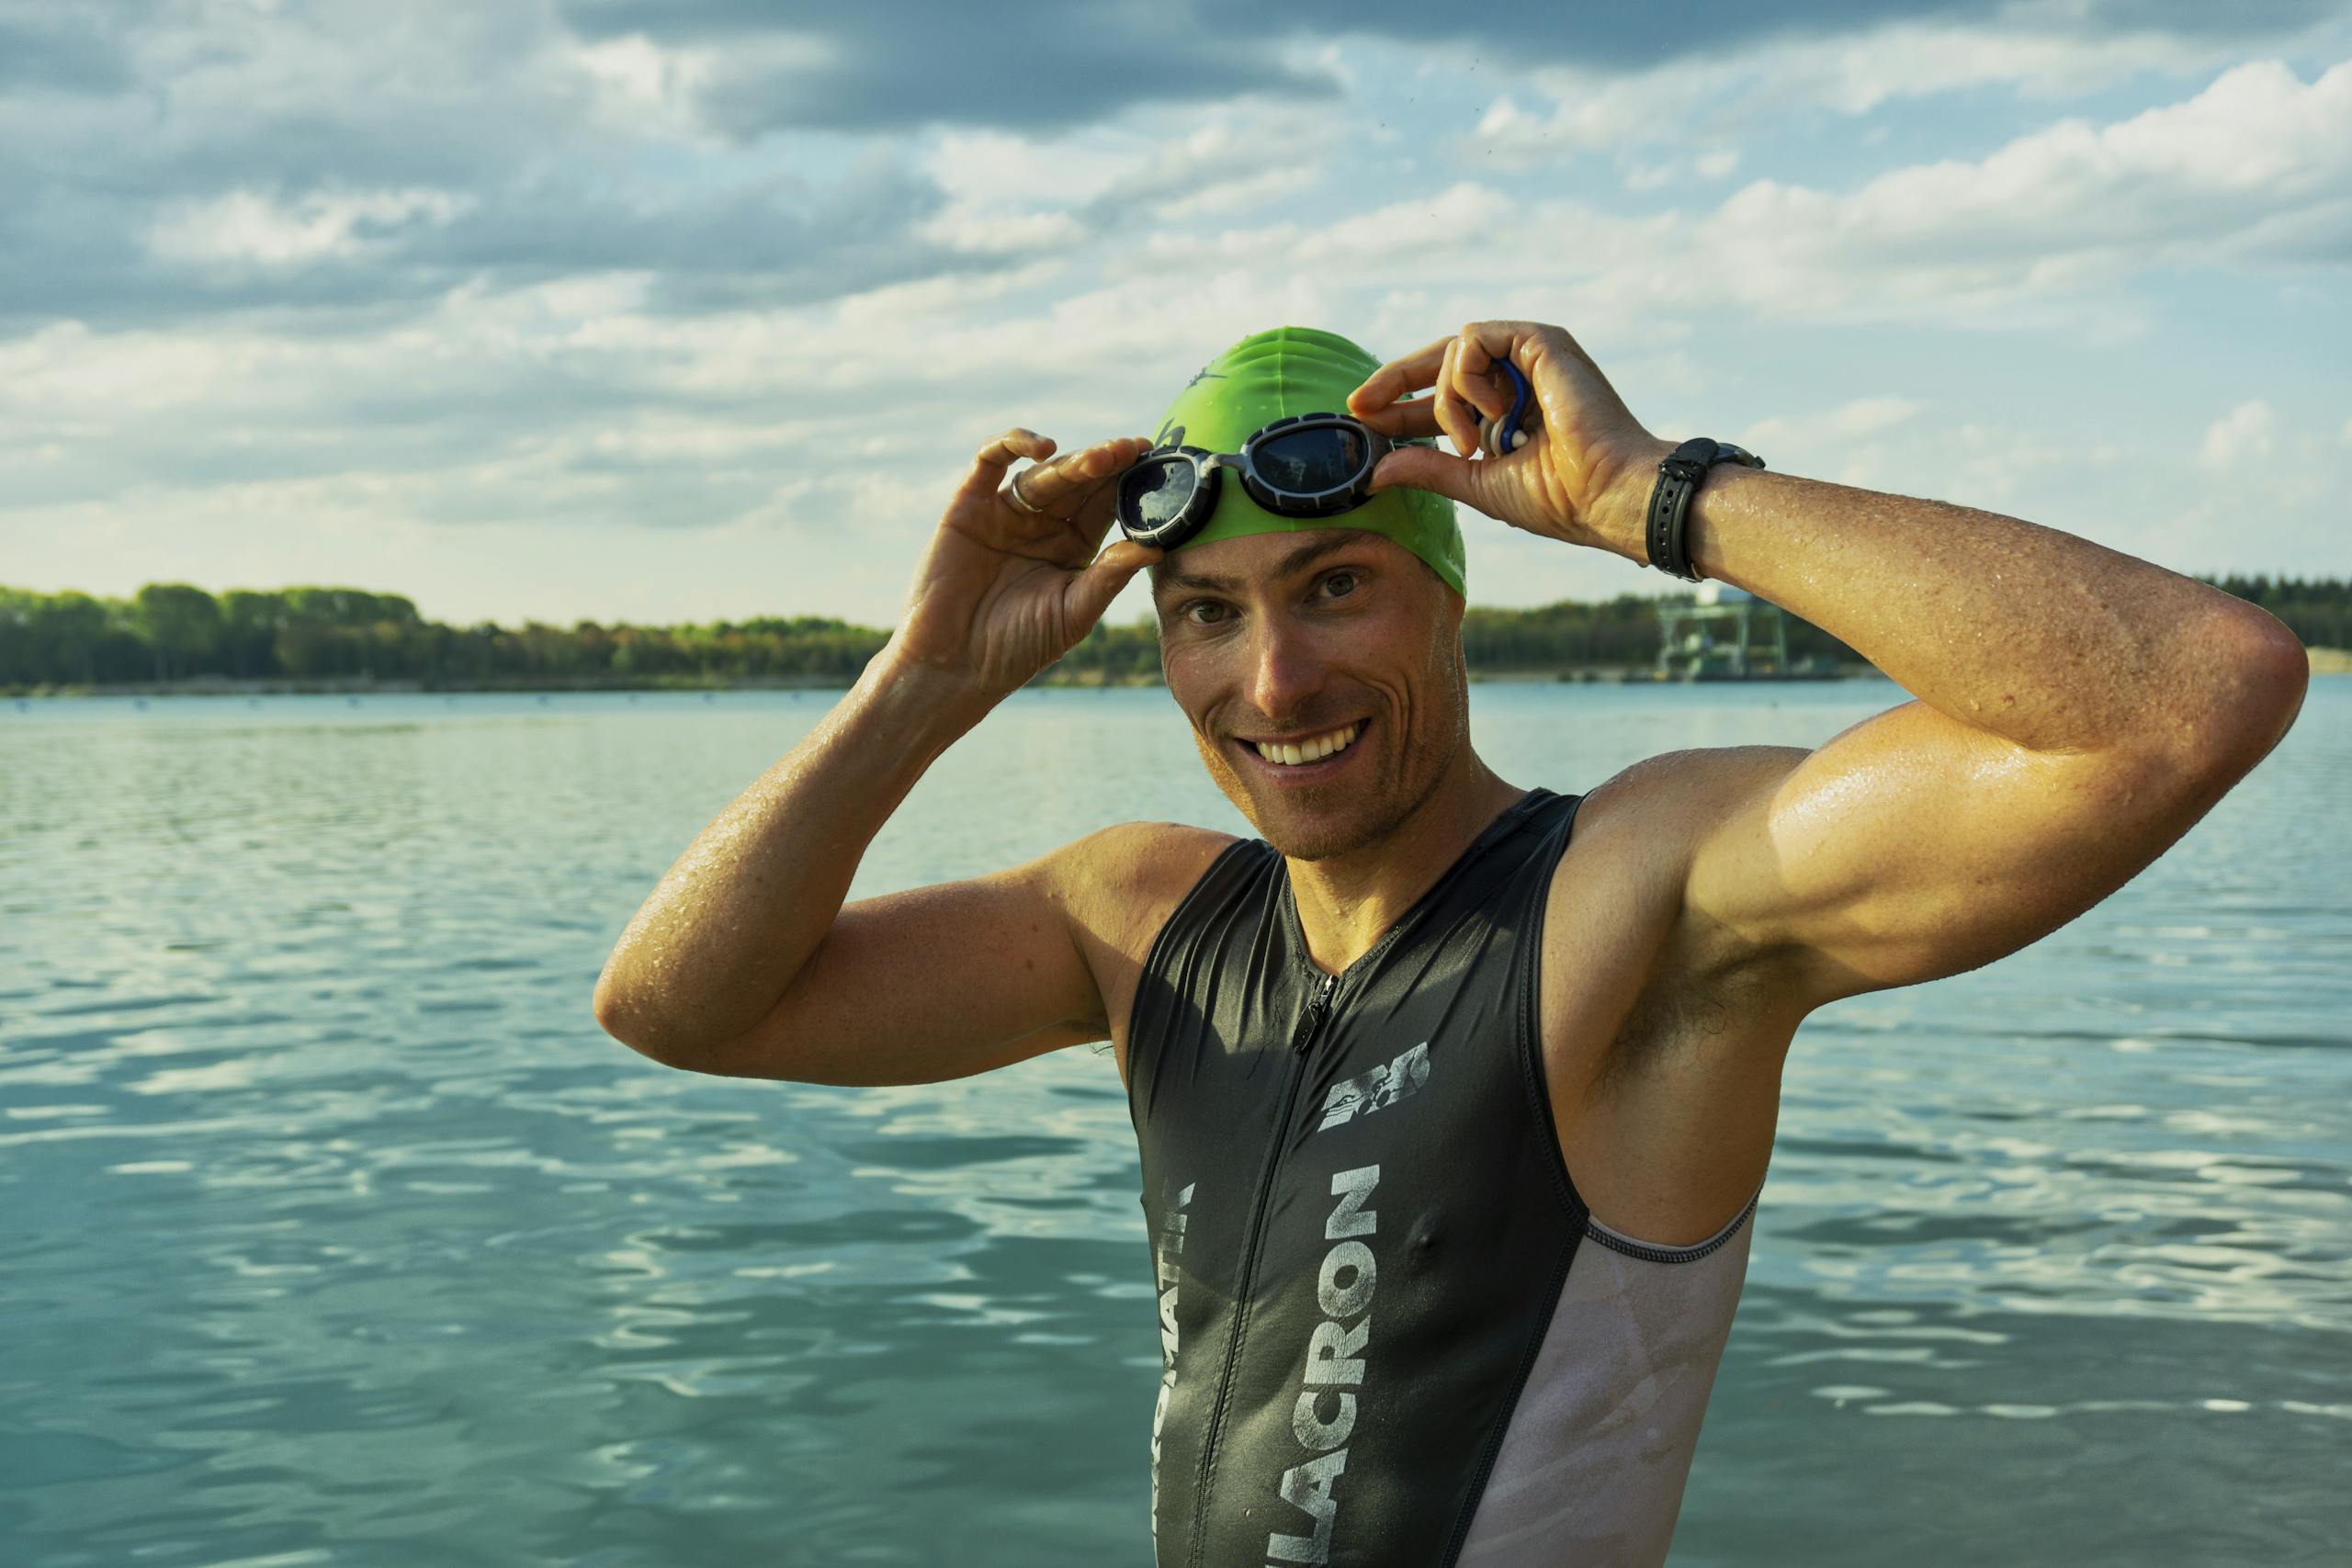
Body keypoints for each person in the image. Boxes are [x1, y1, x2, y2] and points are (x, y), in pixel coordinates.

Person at [592, 321, 2308, 1566]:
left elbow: (2187, 693)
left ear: (1448, 590)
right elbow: (678, 1005)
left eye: (1337, 586)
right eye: (1210, 616)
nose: (1275, 686)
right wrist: (928, 684)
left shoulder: (1633, 904)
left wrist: (1659, 495)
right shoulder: (1141, 925)